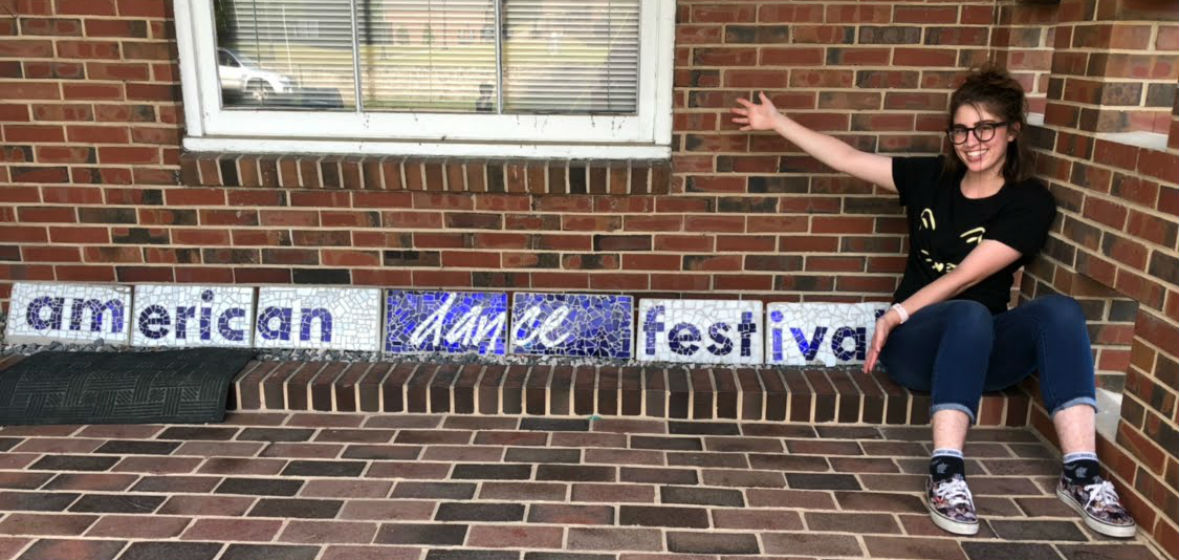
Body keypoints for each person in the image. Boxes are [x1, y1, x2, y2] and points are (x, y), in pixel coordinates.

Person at [731, 65, 1136, 538]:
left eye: (986, 128)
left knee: (1059, 311)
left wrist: (895, 311)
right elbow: (847, 158)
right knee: (968, 315)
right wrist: (778, 123)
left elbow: (967, 275)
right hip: (917, 346)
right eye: (962, 130)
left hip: (980, 349)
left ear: (1012, 132)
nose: (973, 141)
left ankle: (1082, 472)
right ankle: (946, 474)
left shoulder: (1029, 202)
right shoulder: (931, 179)